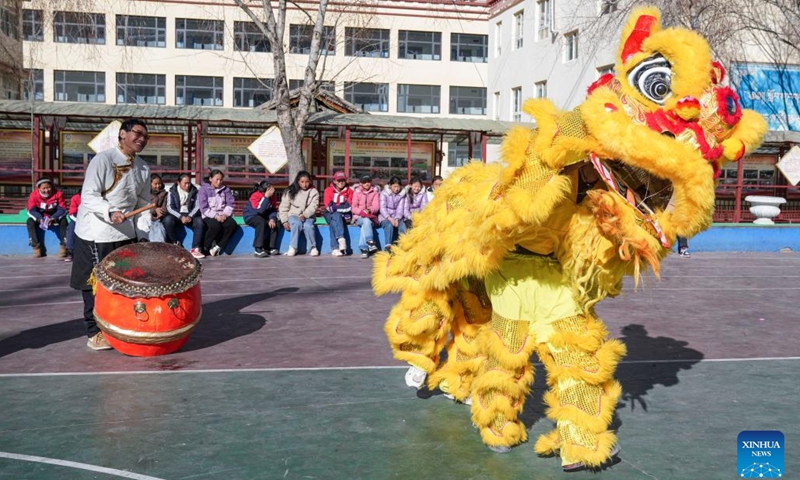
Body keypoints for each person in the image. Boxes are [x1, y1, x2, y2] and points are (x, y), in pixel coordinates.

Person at [70, 117, 151, 351]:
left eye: (145, 136)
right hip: (97, 232)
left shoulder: (143, 167)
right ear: (122, 134)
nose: (142, 139)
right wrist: (110, 211)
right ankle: (94, 331)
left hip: (125, 233)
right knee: (94, 285)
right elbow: (89, 196)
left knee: (125, 283)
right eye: (137, 133)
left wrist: (142, 236)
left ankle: (118, 325)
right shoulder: (102, 160)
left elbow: (144, 202)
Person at [163, 173, 205, 259]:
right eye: (185, 183)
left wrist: (190, 216)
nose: (187, 185)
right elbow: (170, 207)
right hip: (177, 214)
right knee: (167, 220)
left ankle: (195, 249)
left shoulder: (195, 190)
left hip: (190, 214)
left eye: (189, 183)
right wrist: (180, 217)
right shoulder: (172, 191)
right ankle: (175, 243)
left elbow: (197, 206)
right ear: (178, 182)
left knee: (200, 222)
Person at [279, 170, 320, 257]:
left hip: (308, 216)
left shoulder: (314, 192)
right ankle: (293, 247)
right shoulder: (290, 191)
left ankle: (312, 247)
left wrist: (305, 215)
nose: (305, 184)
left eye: (307, 182)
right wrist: (285, 221)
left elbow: (313, 206)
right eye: (302, 182)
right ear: (298, 181)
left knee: (308, 226)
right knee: (296, 223)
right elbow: (283, 207)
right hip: (293, 215)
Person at [197, 169, 237, 257]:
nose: (219, 182)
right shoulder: (203, 190)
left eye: (221, 180)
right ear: (211, 179)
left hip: (223, 214)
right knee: (215, 225)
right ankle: (205, 248)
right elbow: (203, 207)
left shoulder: (226, 189)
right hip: (209, 214)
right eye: (217, 179)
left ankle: (218, 246)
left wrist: (225, 214)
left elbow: (230, 203)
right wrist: (216, 216)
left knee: (232, 224)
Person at [26, 178, 68, 258]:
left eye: (48, 187)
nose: (46, 190)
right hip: (40, 216)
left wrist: (53, 218)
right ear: (39, 188)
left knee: (64, 221)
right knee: (30, 221)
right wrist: (39, 218)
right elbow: (31, 210)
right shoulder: (33, 195)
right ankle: (36, 247)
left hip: (54, 215)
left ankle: (64, 245)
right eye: (44, 188)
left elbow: (62, 209)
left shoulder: (58, 194)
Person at [243, 180, 279, 257]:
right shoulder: (255, 195)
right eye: (270, 189)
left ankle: (270, 247)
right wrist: (266, 197)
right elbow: (259, 210)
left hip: (263, 216)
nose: (272, 191)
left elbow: (273, 209)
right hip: (251, 216)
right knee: (261, 222)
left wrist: (272, 218)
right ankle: (258, 248)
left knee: (276, 223)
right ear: (265, 190)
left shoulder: (273, 197)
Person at [323, 171, 353, 257]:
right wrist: (342, 207)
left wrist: (337, 207)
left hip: (344, 215)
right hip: (329, 213)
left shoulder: (350, 191)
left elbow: (349, 205)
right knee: (336, 215)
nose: (341, 182)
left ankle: (335, 248)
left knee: (333, 222)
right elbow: (329, 207)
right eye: (339, 180)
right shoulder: (328, 190)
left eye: (343, 180)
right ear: (335, 181)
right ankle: (341, 238)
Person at [351, 174, 380, 259]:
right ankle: (370, 242)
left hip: (371, 217)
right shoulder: (357, 193)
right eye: (364, 182)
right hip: (358, 217)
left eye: (368, 181)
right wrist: (361, 212)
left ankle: (364, 249)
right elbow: (353, 207)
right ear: (360, 183)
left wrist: (369, 210)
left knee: (366, 223)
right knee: (365, 221)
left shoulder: (375, 192)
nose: (367, 184)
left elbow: (376, 206)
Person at [379, 176, 408, 252]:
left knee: (402, 225)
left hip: (397, 217)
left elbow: (400, 209)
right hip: (385, 217)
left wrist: (397, 218)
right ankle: (388, 246)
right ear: (390, 186)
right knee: (388, 225)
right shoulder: (384, 193)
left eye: (398, 187)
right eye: (394, 186)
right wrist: (389, 218)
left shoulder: (402, 195)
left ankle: (403, 245)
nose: (396, 189)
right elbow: (382, 208)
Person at [148, 173, 168, 242]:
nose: (158, 186)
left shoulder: (164, 194)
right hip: (148, 217)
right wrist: (155, 210)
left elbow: (165, 206)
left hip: (159, 218)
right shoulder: (146, 193)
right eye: (155, 184)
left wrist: (161, 213)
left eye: (159, 183)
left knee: (159, 228)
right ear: (150, 184)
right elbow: (145, 206)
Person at [64, 192, 81, 262]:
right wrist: (80, 222)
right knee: (71, 227)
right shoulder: (76, 198)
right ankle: (70, 251)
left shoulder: (97, 197)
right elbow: (72, 213)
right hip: (77, 218)